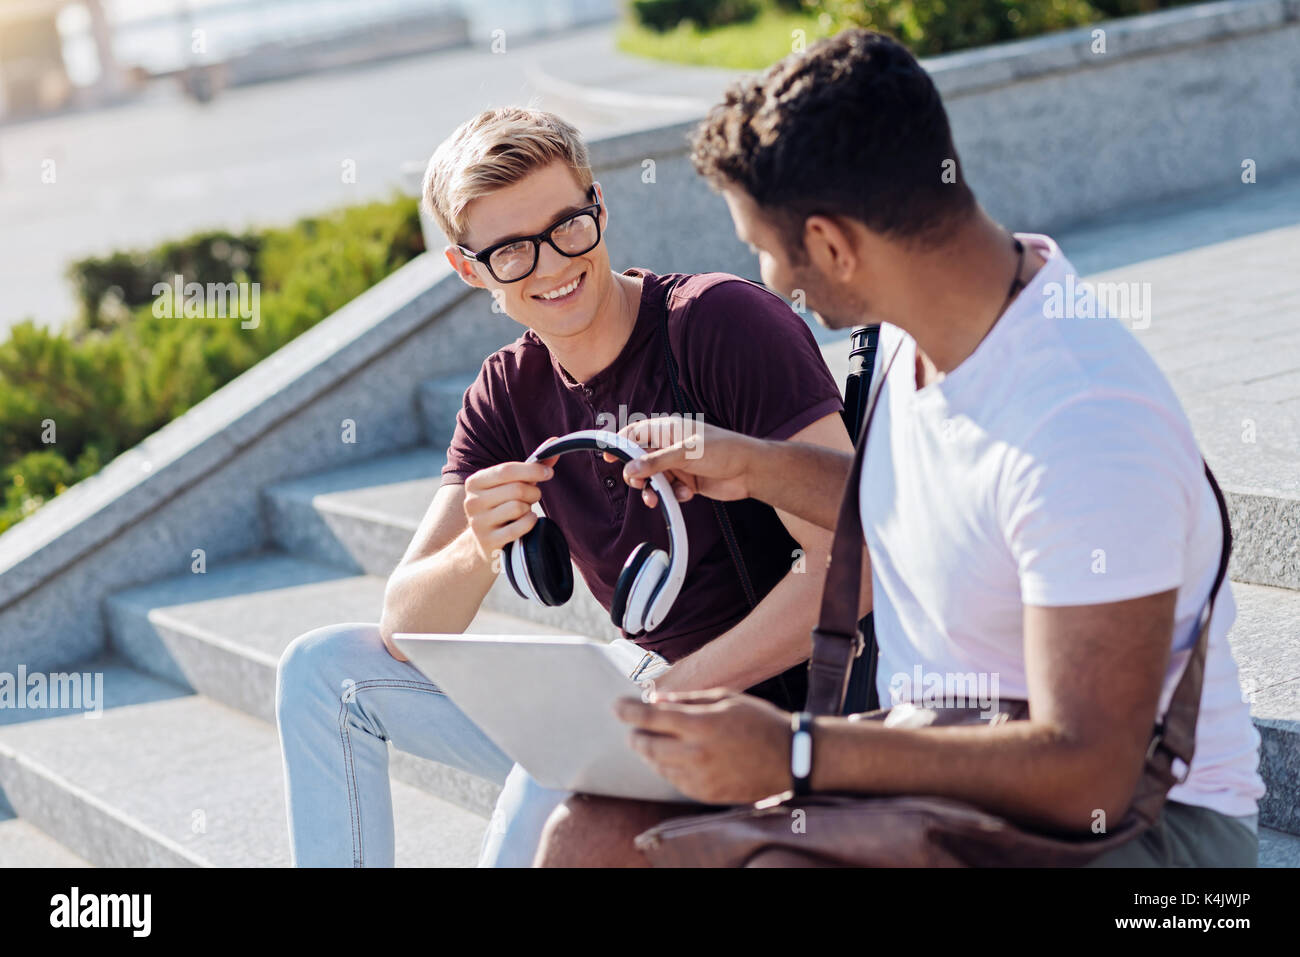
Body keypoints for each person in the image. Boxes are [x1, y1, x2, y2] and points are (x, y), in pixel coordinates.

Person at [536, 30, 1264, 868]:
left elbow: (1088, 776)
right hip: (950, 771)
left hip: (1156, 833)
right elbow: (949, 507)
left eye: (764, 248)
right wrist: (757, 464)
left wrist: (796, 752)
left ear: (836, 246)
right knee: (590, 836)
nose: (766, 276)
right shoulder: (916, 337)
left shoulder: (1082, 422)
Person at [273, 106, 852, 866]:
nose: (550, 264)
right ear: (468, 268)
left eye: (567, 226)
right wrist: (479, 548)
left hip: (764, 708)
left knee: (558, 780)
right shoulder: (506, 392)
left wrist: (660, 698)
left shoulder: (720, 325)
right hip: (641, 687)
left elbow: (852, 559)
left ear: (600, 207)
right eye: (511, 250)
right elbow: (406, 625)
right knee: (323, 672)